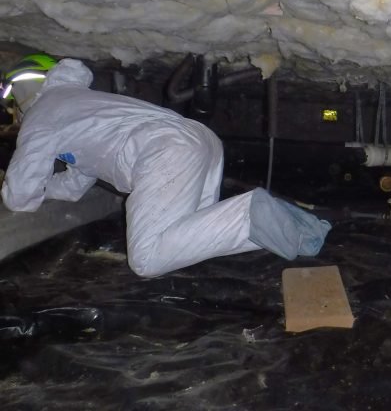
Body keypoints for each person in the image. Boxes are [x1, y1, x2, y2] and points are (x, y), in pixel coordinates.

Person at [0, 54, 331, 277]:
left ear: (25, 90)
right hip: (198, 140)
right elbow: (74, 185)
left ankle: (247, 213)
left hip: (164, 151)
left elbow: (19, 195)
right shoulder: (76, 106)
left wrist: (12, 188)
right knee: (194, 236)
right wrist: (47, 188)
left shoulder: (43, 116)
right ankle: (301, 231)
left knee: (147, 259)